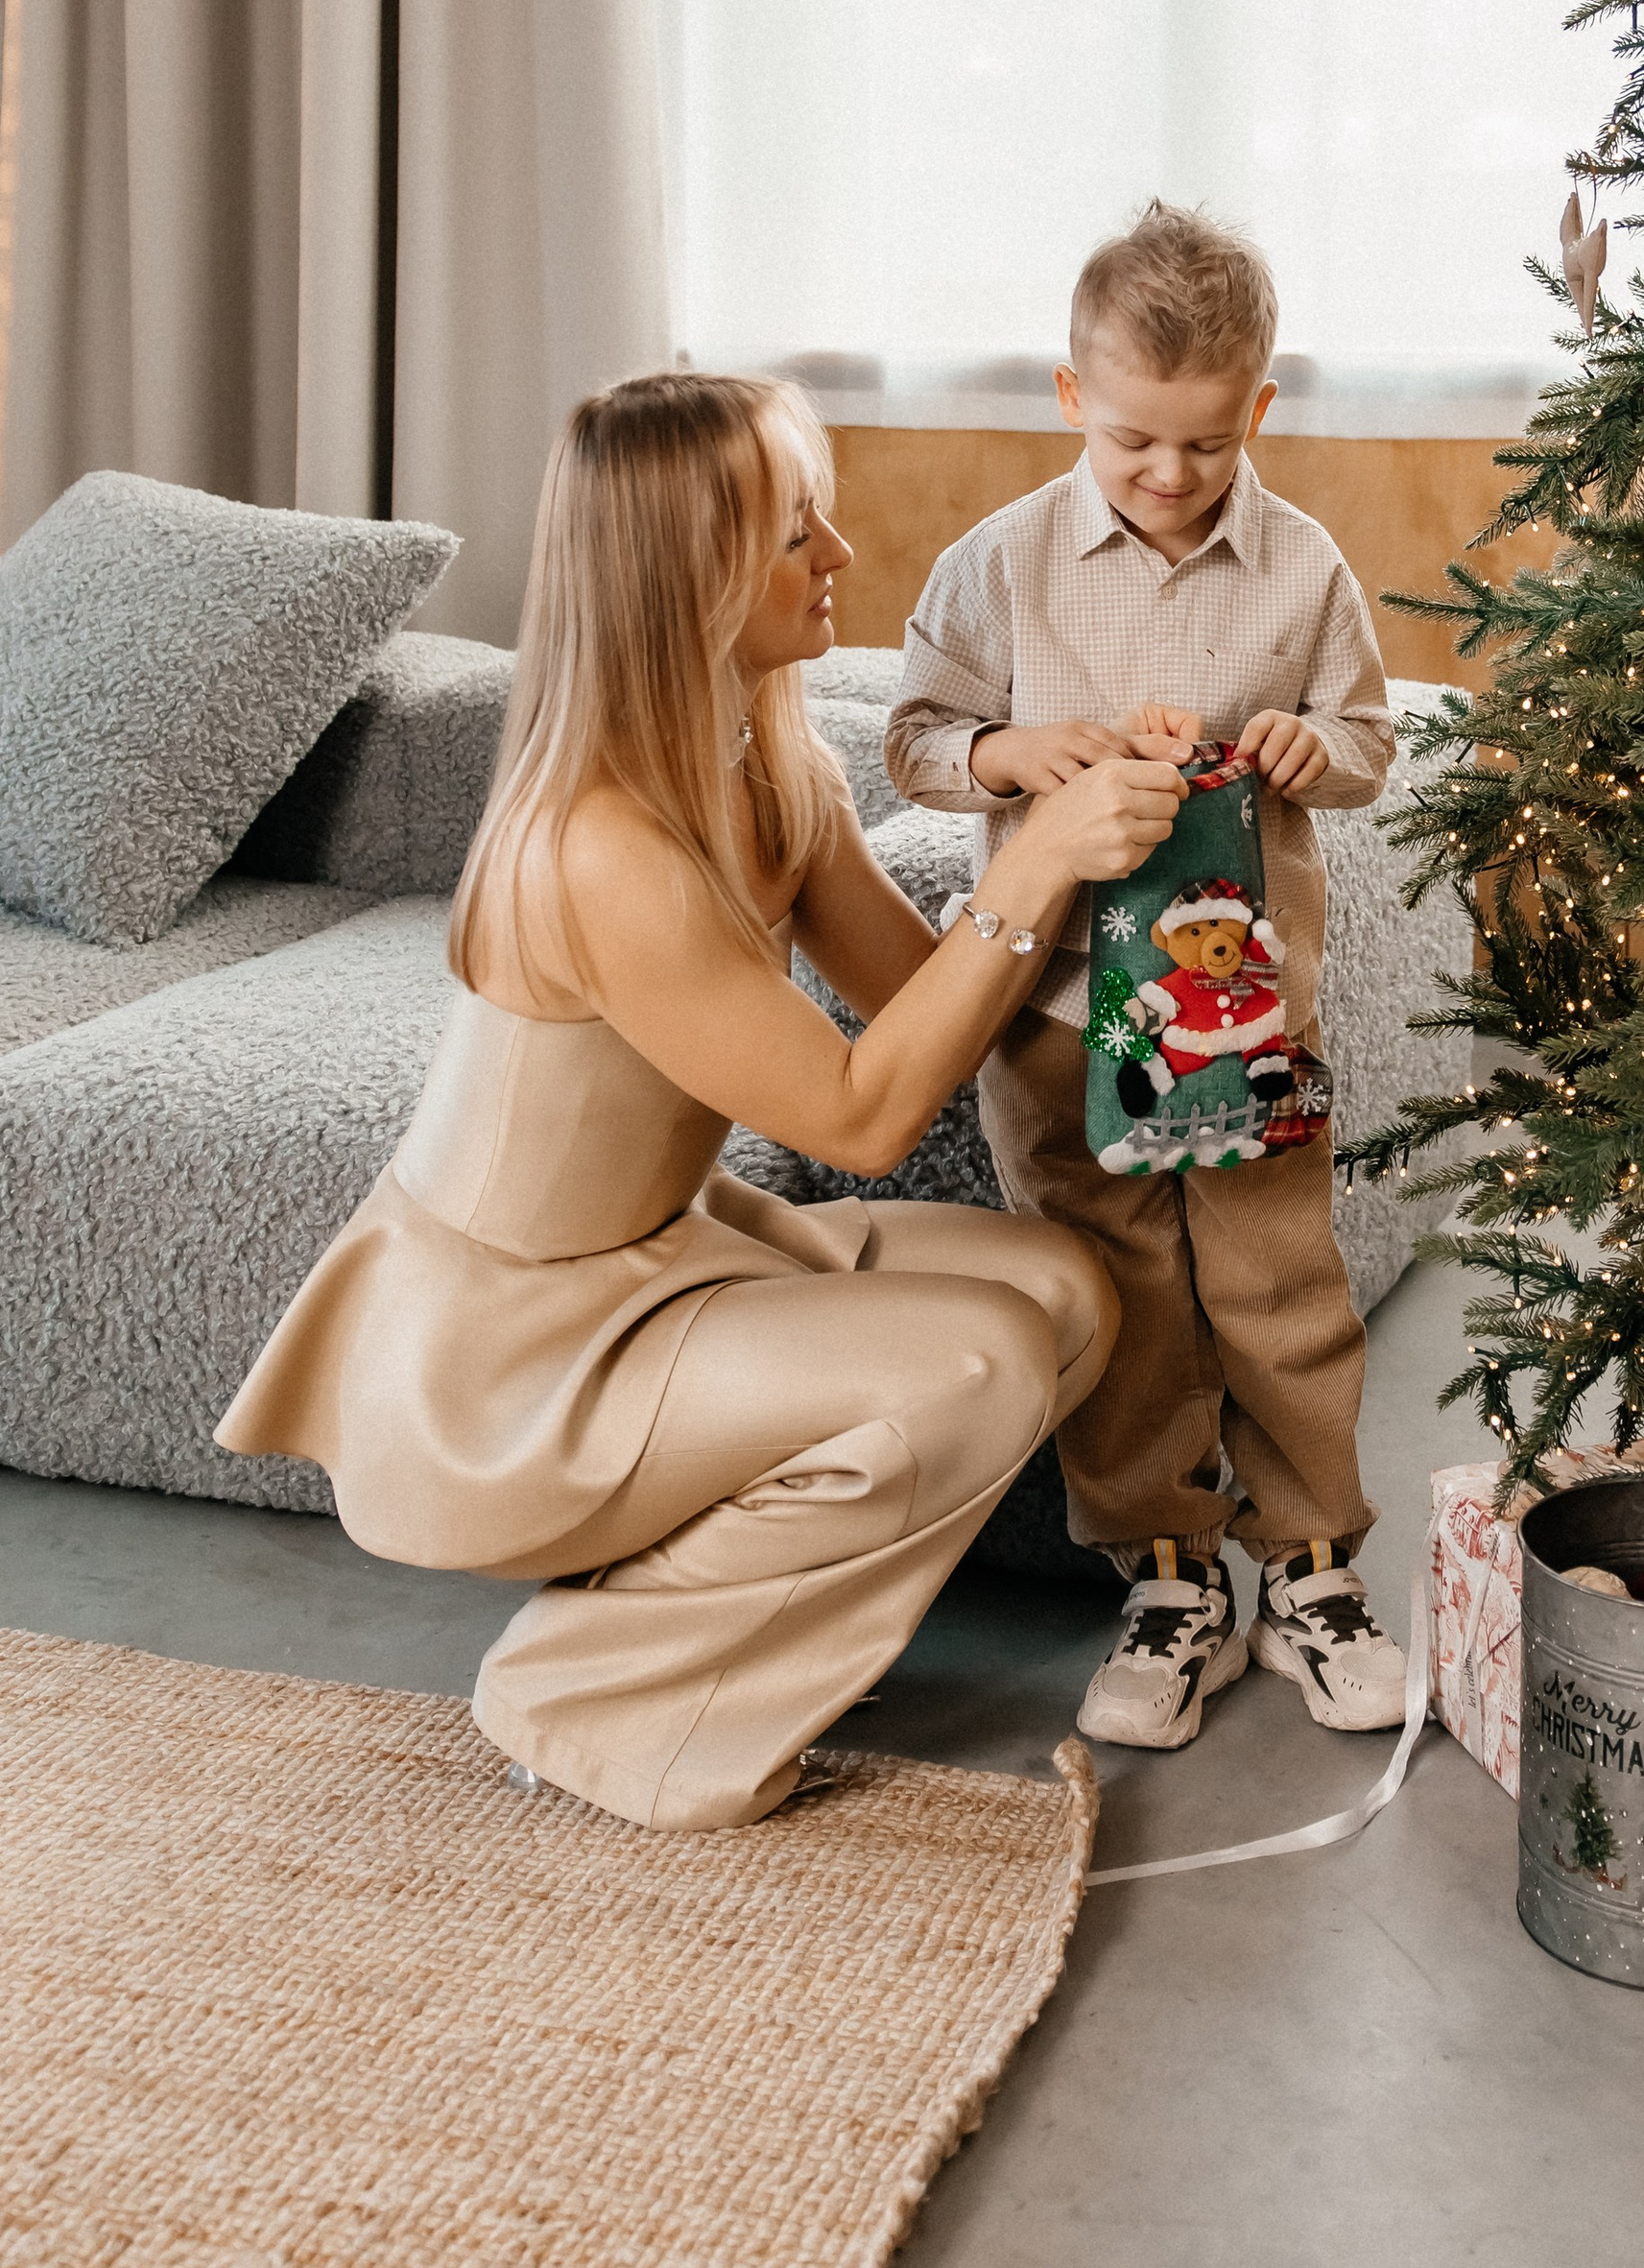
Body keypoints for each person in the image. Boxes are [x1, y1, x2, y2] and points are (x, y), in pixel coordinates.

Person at [218, 371, 1180, 1832]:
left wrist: (1115, 901)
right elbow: (858, 1120)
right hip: (512, 1362)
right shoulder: (599, 845)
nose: (839, 558)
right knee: (976, 1360)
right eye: (798, 534)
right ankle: (594, 1695)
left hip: (660, 1265)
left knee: (1061, 1286)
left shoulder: (768, 760)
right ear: (688, 577)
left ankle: (729, 1627)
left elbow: (932, 1006)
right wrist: (1034, 866)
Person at [887, 203, 1407, 1755]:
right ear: (1068, 399)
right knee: (1119, 1298)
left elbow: (1375, 741)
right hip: (1052, 1019)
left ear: (1259, 406)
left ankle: (1311, 1570)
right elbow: (913, 738)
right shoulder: (997, 567)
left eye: (1201, 443)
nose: (1168, 477)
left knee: (1276, 1291)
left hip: (1245, 1023)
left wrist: (1327, 750)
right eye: (1131, 444)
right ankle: (1170, 1580)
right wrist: (1008, 754)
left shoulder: (1305, 570)